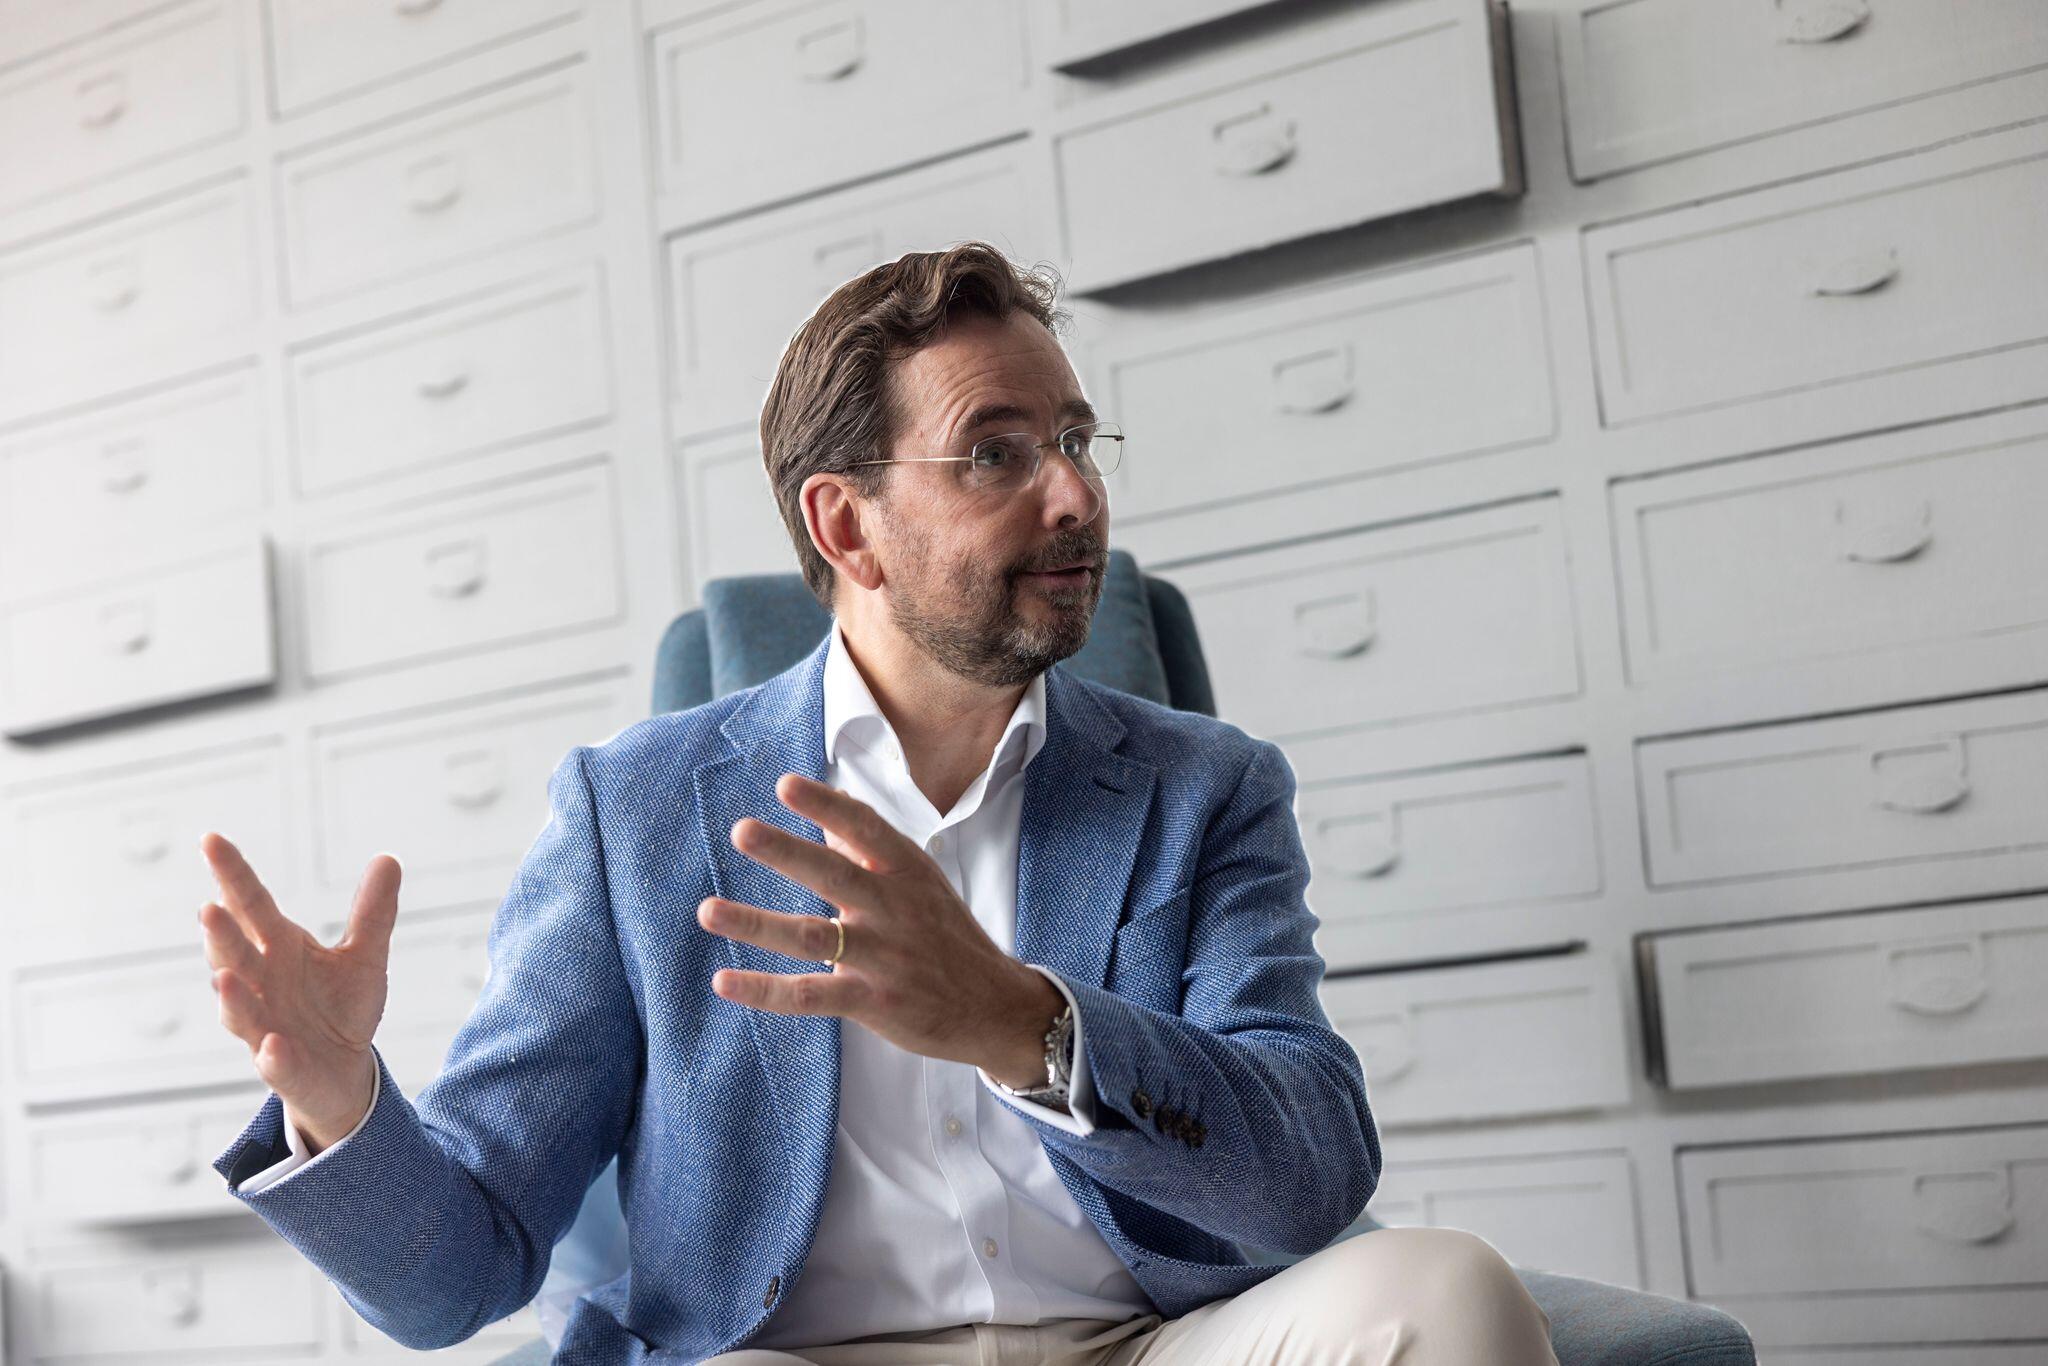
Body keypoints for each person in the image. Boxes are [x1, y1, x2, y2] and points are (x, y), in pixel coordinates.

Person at [199, 241, 1560, 1365]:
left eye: (1076, 441)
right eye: (996, 454)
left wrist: (1022, 1023)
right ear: (845, 524)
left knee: (1445, 1291)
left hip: (1148, 1340)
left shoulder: (1207, 785)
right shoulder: (636, 812)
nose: (1076, 495)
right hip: (800, 1355)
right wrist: (340, 1104)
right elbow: (461, 1275)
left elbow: (1312, 1172)